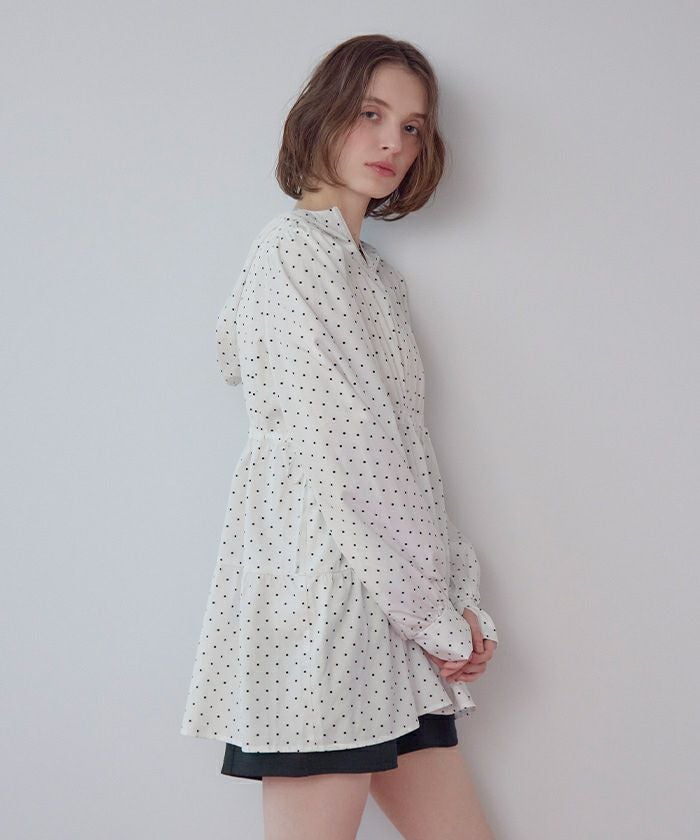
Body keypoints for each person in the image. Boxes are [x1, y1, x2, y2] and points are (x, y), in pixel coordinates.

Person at [181, 34, 499, 840]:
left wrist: (457, 601)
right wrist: (438, 618)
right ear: (322, 116)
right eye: (370, 114)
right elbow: (351, 463)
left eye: (412, 127)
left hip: (386, 614)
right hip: (321, 606)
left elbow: (408, 460)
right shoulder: (290, 256)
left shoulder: (374, 277)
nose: (393, 141)